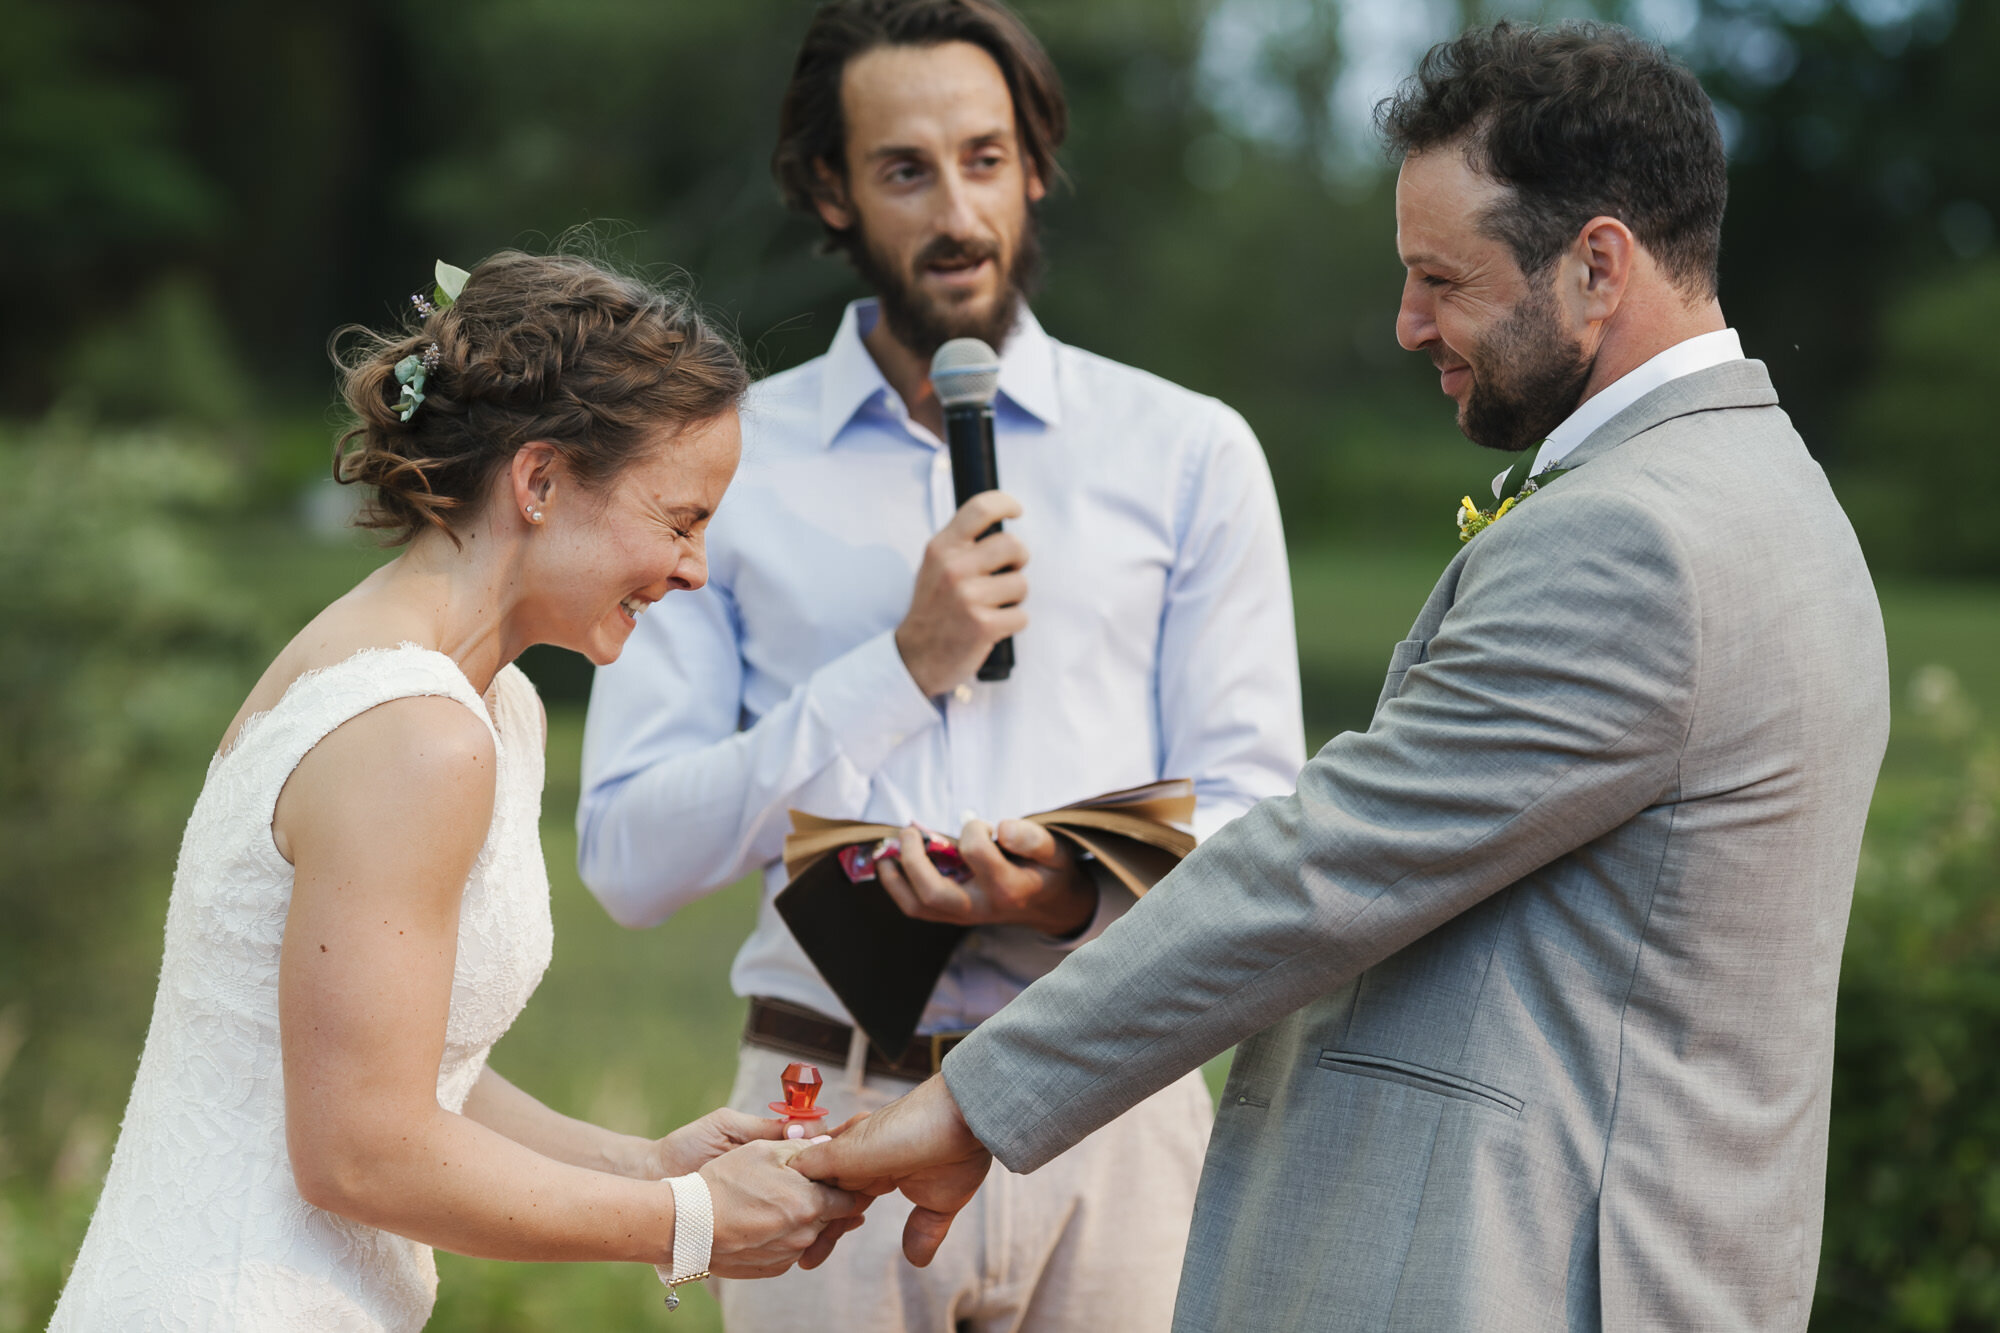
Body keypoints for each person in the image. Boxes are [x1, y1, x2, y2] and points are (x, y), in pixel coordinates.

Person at [795, 20, 1893, 1332]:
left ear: (1598, 264)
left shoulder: (1638, 539)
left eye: (1442, 276)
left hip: (1520, 1273)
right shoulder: (1772, 494)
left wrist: (976, 1100)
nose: (1407, 322)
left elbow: (1334, 863)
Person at [575, 1, 1303, 1327]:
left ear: (1034, 166)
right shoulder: (717, 462)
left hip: (1111, 1103)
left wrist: (1065, 885)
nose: (957, 210)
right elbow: (630, 858)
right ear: (828, 189)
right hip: (818, 1119)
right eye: (905, 169)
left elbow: (1266, 818)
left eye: (983, 157)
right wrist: (902, 662)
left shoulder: (1189, 452)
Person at [50, 252, 862, 1332]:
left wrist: (646, 1160)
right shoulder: (414, 732)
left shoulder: (478, 701)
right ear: (538, 481)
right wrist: (685, 1219)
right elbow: (359, 1148)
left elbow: (396, 1057)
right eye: (678, 519)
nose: (694, 569)